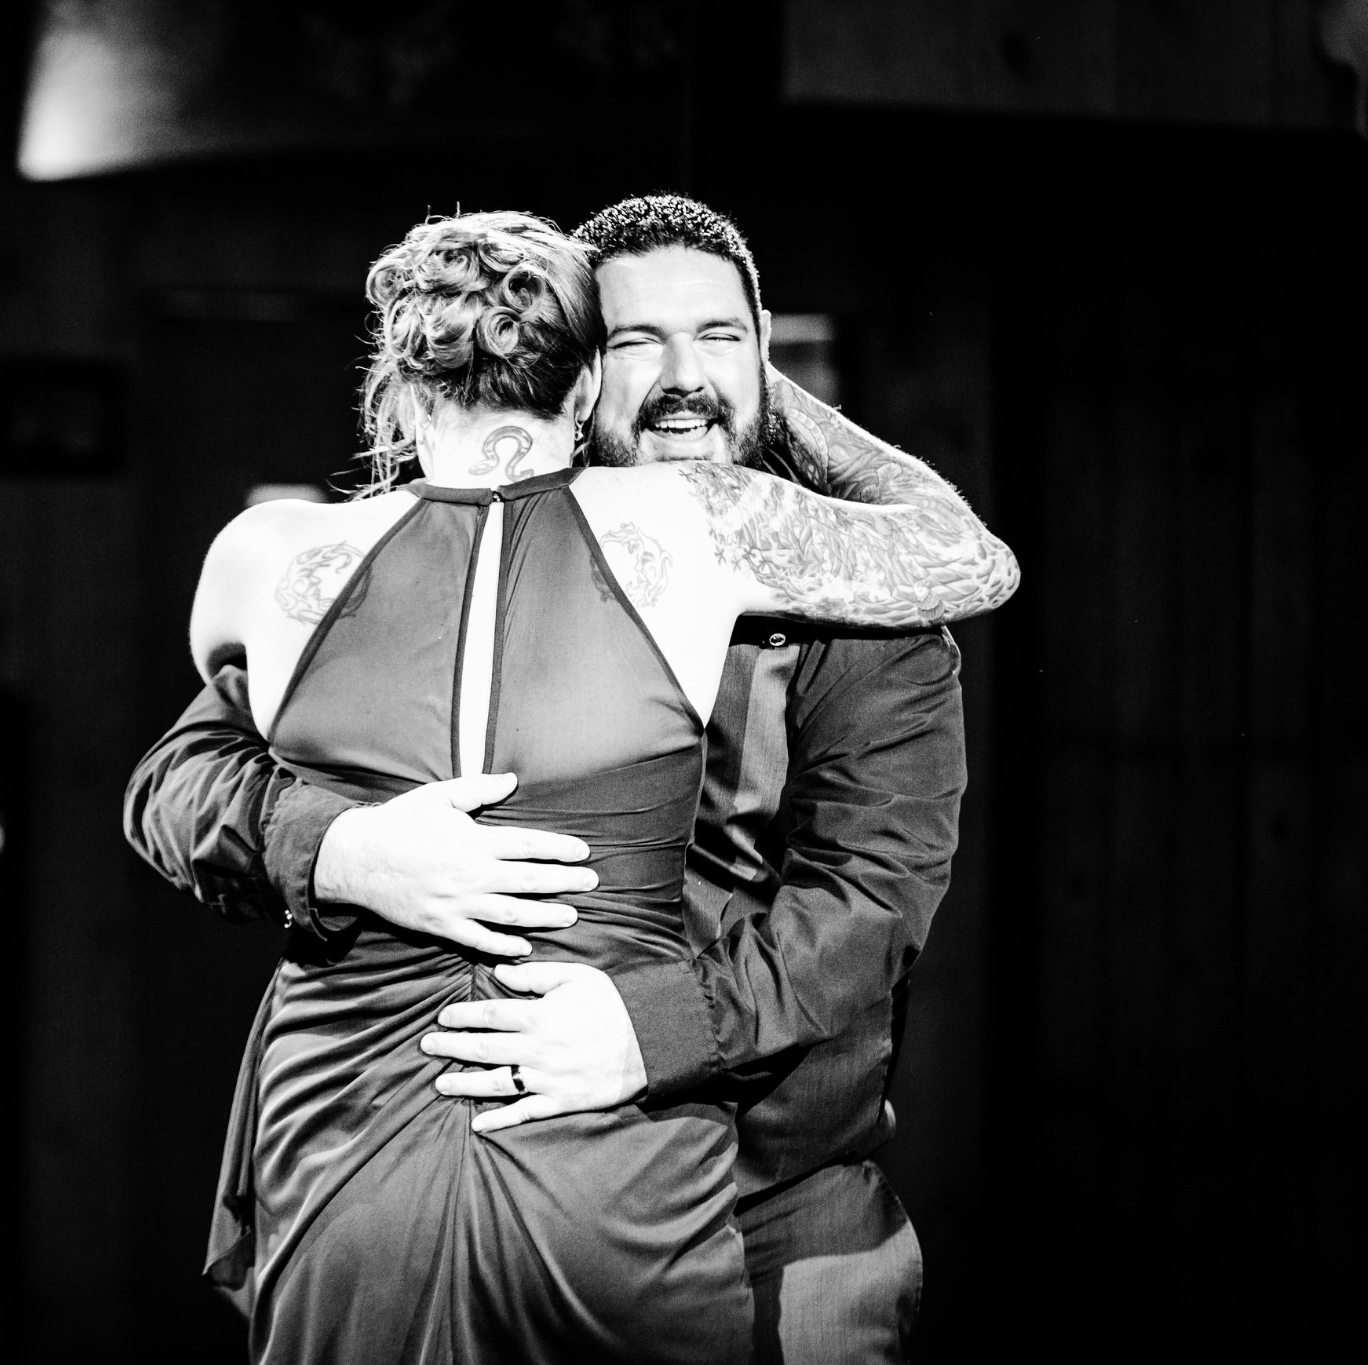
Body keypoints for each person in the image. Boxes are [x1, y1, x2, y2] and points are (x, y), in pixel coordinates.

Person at [128, 196, 978, 1363]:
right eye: (638, 342)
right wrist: (341, 846)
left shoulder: (861, 612)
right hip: (424, 1136)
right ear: (577, 372)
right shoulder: (376, 569)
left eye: (722, 339)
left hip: (776, 1185)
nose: (686, 378)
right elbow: (182, 781)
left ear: (767, 351)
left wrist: (651, 1027)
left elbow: (869, 905)